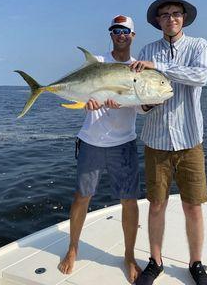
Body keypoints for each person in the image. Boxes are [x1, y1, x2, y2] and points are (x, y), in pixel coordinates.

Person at [131, 0, 207, 285]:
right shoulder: (146, 49)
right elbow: (139, 95)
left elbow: (199, 76)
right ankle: (155, 261)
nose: (171, 19)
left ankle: (196, 263)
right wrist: (144, 106)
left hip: (190, 139)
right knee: (156, 205)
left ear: (184, 17)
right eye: (164, 15)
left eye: (175, 13)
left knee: (193, 206)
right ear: (157, 20)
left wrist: (158, 68)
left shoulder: (199, 45)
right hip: (156, 141)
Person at [58, 15, 142, 283]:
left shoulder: (137, 69)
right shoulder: (98, 62)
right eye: (116, 31)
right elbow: (84, 91)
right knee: (82, 196)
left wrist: (128, 102)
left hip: (124, 142)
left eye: (125, 31)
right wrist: (86, 102)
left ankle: (128, 256)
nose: (121, 35)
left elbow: (141, 103)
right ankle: (73, 248)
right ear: (111, 35)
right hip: (91, 141)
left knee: (129, 201)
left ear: (133, 35)